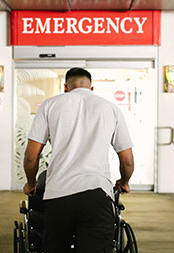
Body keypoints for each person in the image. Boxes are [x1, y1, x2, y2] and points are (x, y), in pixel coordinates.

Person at [23, 67, 134, 253]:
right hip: (97, 194)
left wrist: (31, 183)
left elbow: (31, 156)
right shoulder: (110, 108)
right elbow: (128, 160)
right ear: (91, 88)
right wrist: (124, 182)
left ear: (65, 87)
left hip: (58, 195)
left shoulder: (50, 105)